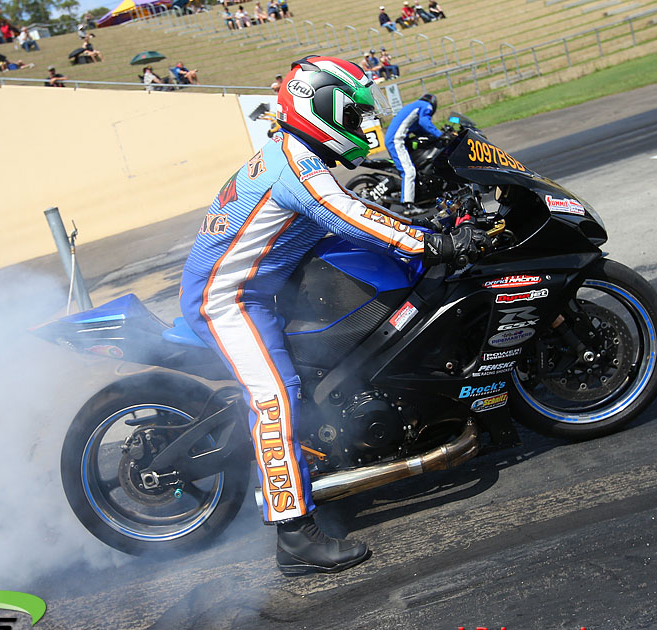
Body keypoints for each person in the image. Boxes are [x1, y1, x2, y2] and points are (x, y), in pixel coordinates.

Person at [178, 56, 488, 575]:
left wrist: (423, 224)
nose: (364, 124)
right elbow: (348, 214)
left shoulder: (294, 152)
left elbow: (348, 210)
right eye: (353, 114)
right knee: (276, 397)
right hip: (227, 298)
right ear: (319, 108)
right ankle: (294, 537)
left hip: (266, 283)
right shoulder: (295, 164)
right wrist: (434, 242)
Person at [384, 93, 442, 214]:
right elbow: (425, 123)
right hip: (396, 141)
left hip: (396, 139)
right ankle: (408, 205)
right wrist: (440, 135)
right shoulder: (426, 105)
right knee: (409, 171)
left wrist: (432, 136)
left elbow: (418, 128)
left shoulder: (415, 106)